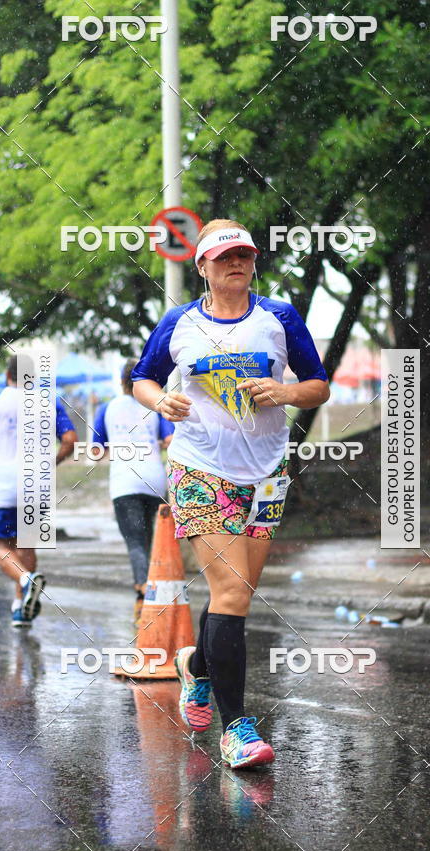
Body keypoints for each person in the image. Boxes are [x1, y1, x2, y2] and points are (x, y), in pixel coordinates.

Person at [131, 219, 330, 769]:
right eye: (223, 257)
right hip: (201, 468)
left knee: (233, 596)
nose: (236, 263)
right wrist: (159, 401)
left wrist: (285, 391)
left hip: (266, 474)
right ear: (203, 267)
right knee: (234, 592)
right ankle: (236, 730)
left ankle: (194, 667)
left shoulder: (279, 318)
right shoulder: (180, 322)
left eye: (243, 254)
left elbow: (318, 384)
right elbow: (142, 377)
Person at [0, 356, 77, 627]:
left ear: (8, 375)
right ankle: (20, 608)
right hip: (37, 486)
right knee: (26, 543)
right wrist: (52, 462)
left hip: (3, 486)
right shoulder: (48, 401)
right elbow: (70, 439)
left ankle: (26, 581)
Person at [92, 359, 174, 624]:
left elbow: (96, 450)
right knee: (149, 541)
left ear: (120, 382)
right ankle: (152, 598)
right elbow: (170, 439)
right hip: (154, 480)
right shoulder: (154, 405)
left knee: (135, 541)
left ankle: (143, 595)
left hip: (125, 483)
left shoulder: (107, 408)